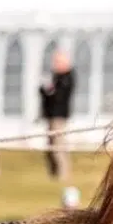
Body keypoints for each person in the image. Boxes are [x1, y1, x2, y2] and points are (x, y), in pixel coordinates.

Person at [39, 48, 75, 181]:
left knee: (58, 145)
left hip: (58, 116)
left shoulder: (67, 78)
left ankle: (62, 174)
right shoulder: (56, 77)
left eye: (57, 62)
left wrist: (49, 92)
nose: (54, 65)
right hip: (51, 115)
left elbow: (59, 96)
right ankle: (54, 173)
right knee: (51, 145)